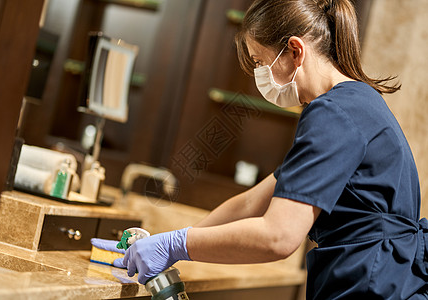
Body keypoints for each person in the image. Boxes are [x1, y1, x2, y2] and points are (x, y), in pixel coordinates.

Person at [92, 0, 428, 298]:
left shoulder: (332, 113)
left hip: (370, 283)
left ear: (295, 51)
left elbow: (278, 236)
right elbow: (254, 201)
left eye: (259, 61)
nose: (258, 74)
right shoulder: (359, 102)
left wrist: (176, 244)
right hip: (386, 279)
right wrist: (170, 243)